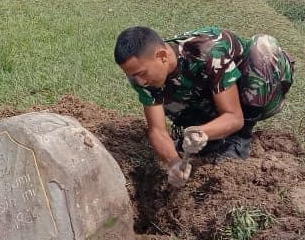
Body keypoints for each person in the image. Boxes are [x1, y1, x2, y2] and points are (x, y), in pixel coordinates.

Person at [114, 26, 295, 187]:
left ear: (161, 56)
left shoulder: (208, 51)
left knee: (261, 49)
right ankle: (214, 140)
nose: (138, 81)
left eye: (141, 73)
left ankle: (240, 139)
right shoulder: (143, 76)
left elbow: (234, 116)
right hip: (214, 96)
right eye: (132, 75)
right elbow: (157, 131)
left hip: (259, 92)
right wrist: (174, 162)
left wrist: (202, 132)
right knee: (169, 93)